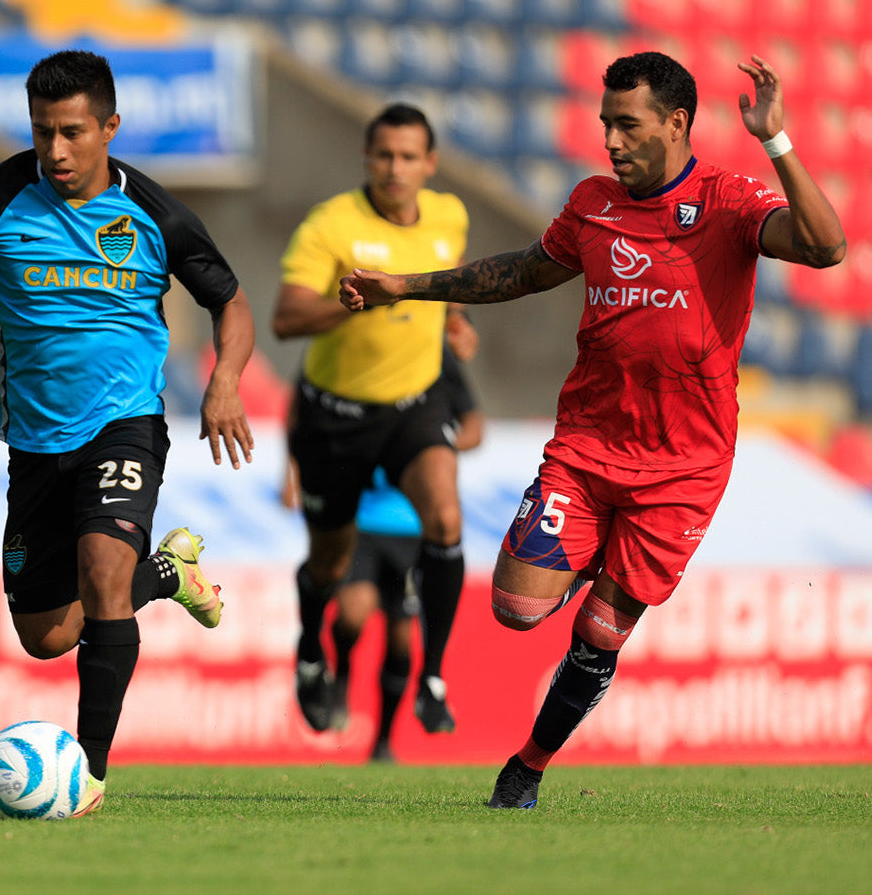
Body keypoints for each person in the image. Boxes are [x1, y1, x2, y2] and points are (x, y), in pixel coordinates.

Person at [340, 52, 845, 808]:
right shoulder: (592, 203)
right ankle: (596, 557)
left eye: (627, 124)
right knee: (514, 610)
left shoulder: (727, 200)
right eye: (605, 122)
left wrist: (776, 143)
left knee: (600, 634)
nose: (609, 138)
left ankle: (527, 769)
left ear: (676, 124)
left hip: (685, 464)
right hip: (587, 447)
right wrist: (405, 288)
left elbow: (825, 247)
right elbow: (519, 272)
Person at [0, 49, 256, 817]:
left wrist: (224, 380)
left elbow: (230, 302)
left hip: (124, 423)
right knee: (47, 633)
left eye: (70, 133)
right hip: (34, 444)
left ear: (109, 127)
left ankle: (88, 774)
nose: (55, 151)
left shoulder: (155, 213)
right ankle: (168, 575)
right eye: (42, 133)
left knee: (102, 574)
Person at [272, 103, 473, 737]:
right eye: (384, 155)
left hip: (415, 404)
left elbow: (438, 291)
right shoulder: (331, 225)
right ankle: (311, 651)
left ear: (429, 164)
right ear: (367, 158)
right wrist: (350, 305)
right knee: (329, 564)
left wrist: (456, 318)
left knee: (444, 516)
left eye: (409, 156)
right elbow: (285, 318)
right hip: (335, 415)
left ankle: (433, 678)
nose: (395, 168)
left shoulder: (450, 216)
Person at [282, 329, 485, 761]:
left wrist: (431, 444)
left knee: (400, 639)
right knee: (352, 614)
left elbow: (474, 426)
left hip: (412, 527)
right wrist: (292, 470)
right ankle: (340, 675)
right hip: (364, 521)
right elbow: (301, 407)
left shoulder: (432, 357)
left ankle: (384, 742)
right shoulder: (344, 346)